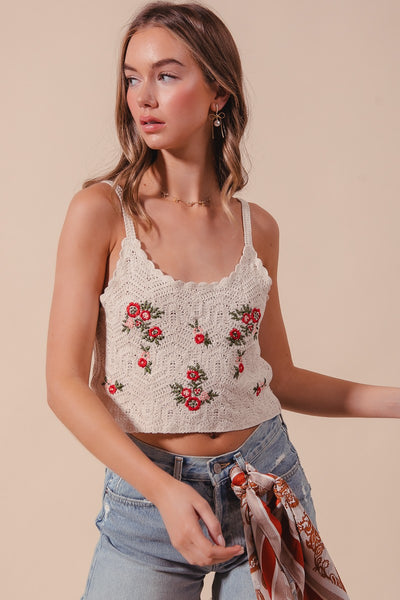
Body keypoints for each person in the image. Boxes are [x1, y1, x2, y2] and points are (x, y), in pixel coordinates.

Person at [45, 2, 400, 599]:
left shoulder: (258, 228)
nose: (142, 97)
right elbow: (63, 384)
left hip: (266, 484)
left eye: (166, 75)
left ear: (219, 93)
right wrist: (162, 490)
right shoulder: (102, 212)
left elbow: (279, 377)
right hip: (148, 505)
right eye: (131, 78)